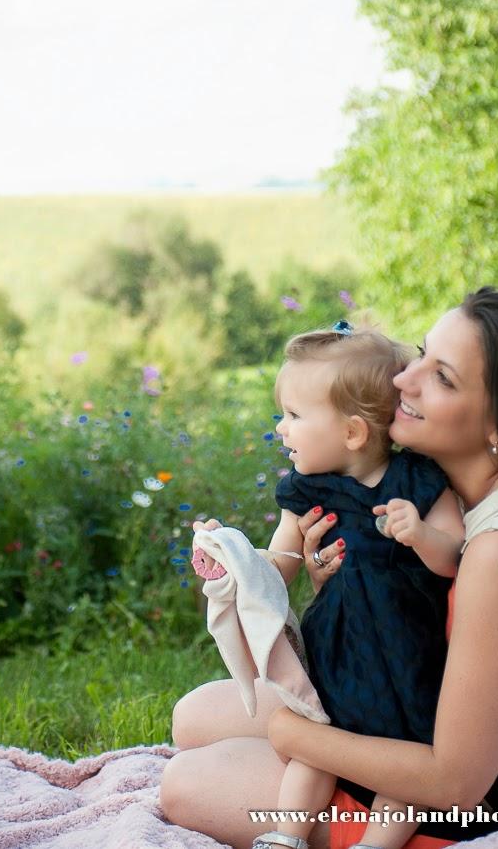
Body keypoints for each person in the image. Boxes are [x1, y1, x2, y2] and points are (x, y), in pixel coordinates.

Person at [161, 288, 498, 849]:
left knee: (188, 782)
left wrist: (292, 734)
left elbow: (457, 781)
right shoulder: (466, 488)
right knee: (195, 716)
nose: (404, 379)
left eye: (441, 377)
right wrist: (333, 580)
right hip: (426, 711)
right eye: (421, 353)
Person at [191, 323, 464, 849]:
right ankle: (285, 835)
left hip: (409, 660)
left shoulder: (418, 483)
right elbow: (277, 570)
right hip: (336, 653)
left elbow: (455, 558)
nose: (280, 429)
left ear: (353, 433)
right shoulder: (307, 494)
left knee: (400, 760)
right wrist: (232, 558)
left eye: (293, 416)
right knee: (316, 744)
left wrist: (422, 534)